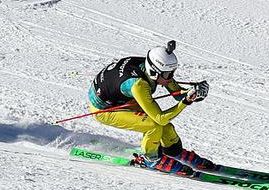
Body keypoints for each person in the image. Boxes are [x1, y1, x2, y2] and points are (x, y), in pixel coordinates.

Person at [87, 40, 212, 175]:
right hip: (105, 109)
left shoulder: (153, 66)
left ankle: (174, 152)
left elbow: (177, 93)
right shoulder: (138, 85)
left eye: (172, 72)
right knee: (154, 125)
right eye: (167, 74)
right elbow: (160, 118)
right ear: (154, 71)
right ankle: (151, 159)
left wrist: (193, 92)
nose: (171, 78)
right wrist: (186, 101)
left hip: (122, 98)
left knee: (167, 128)